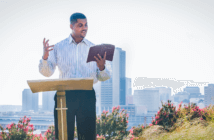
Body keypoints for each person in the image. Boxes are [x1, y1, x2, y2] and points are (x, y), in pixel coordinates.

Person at [38, 12, 111, 140]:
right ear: (71, 26)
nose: (85, 28)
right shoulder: (59, 47)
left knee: (88, 135)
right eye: (80, 25)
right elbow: (47, 72)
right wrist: (45, 58)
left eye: (86, 25)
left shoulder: (94, 48)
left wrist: (101, 67)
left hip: (87, 95)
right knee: (63, 135)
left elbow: (104, 77)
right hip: (64, 96)